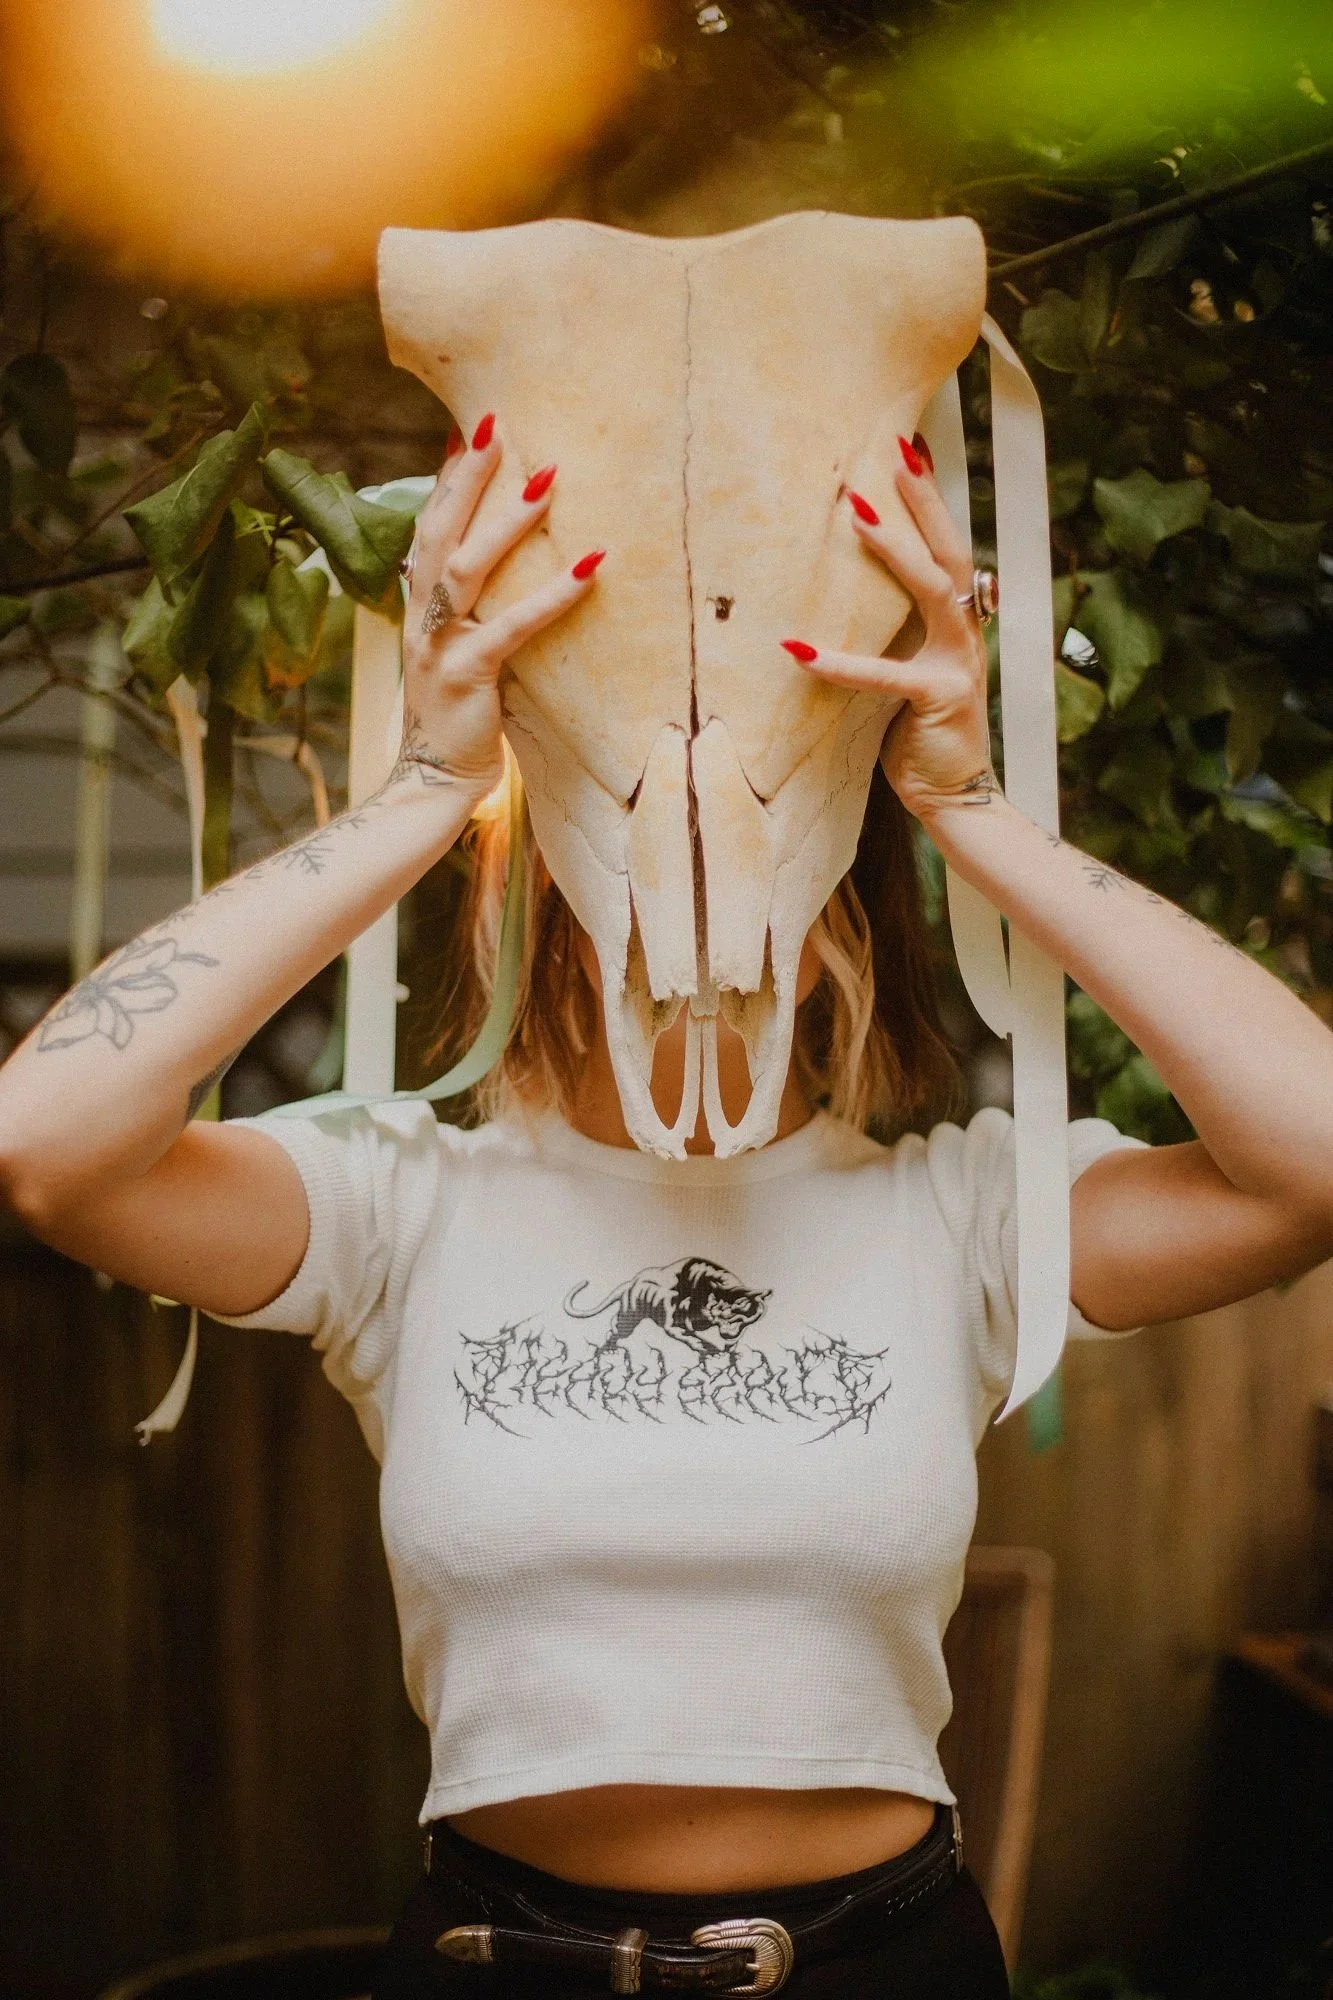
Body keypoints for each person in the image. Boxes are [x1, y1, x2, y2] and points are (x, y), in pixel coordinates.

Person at [2, 417, 1331, 2000]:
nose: (694, 914)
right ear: (528, 893)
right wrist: (425, 790)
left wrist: (971, 811)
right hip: (496, 1963)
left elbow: (1312, 1161)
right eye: (619, 852)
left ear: (854, 916)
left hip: (883, 1966)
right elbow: (50, 1145)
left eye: (776, 855)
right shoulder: (398, 1205)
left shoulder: (963, 1215)